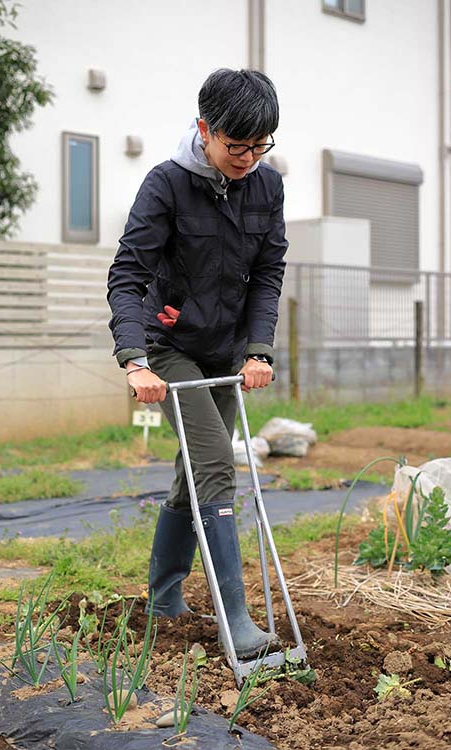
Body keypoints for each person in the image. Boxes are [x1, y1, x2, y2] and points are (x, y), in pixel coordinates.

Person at [106, 68, 287, 659]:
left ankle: (163, 597)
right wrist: (135, 359)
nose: (249, 158)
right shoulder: (167, 185)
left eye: (261, 146)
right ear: (206, 130)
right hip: (170, 347)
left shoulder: (267, 187)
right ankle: (235, 619)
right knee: (215, 463)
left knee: (193, 469)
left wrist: (258, 347)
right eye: (237, 146)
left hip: (226, 355)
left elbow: (267, 275)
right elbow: (128, 276)